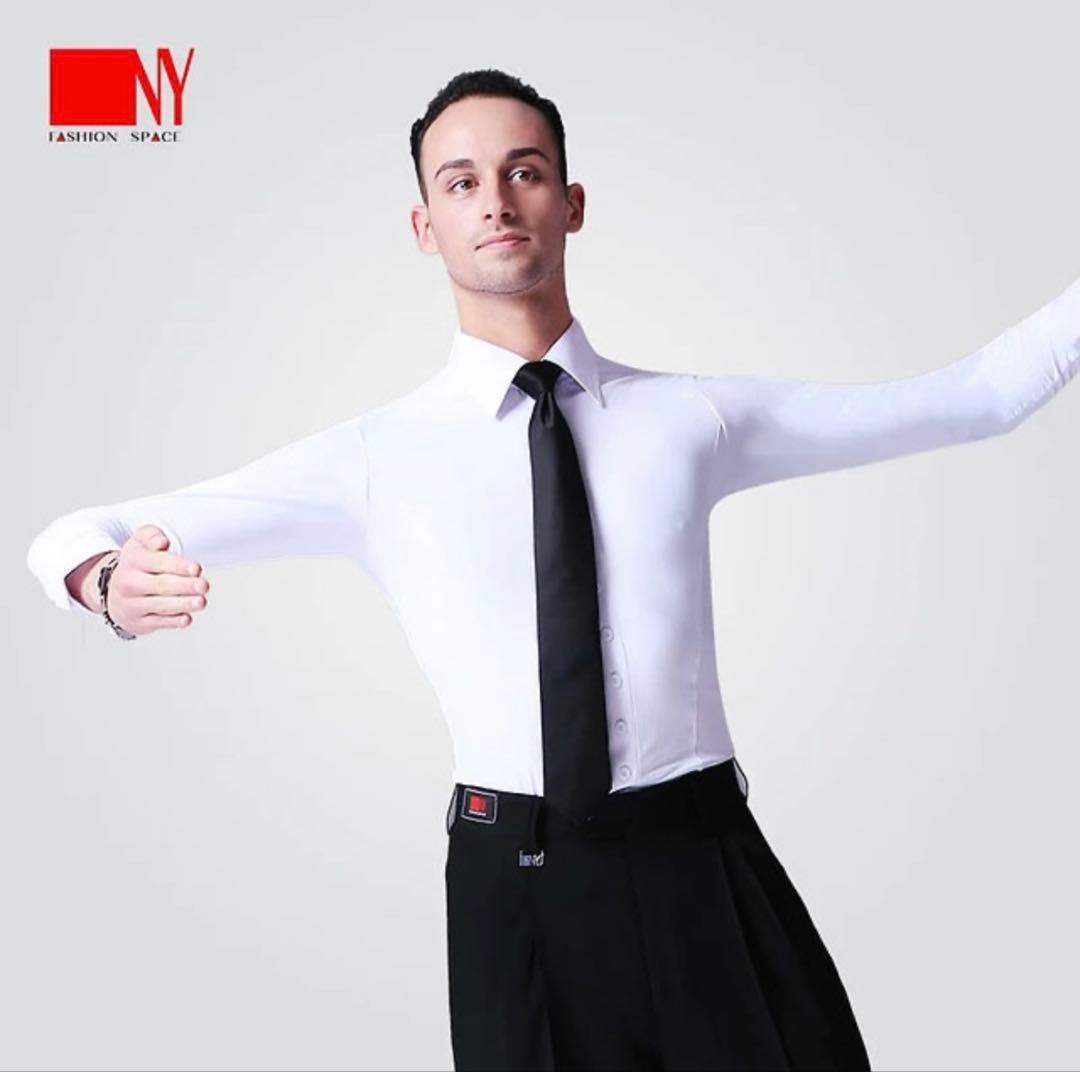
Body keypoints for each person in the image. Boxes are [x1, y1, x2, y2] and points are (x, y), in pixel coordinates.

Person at [27, 68, 1080, 1070]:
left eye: (523, 171)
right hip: (517, 886)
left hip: (705, 857)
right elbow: (75, 531)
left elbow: (980, 398)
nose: (495, 200)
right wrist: (103, 581)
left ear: (571, 204)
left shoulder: (692, 418)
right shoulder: (373, 460)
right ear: (424, 225)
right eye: (461, 182)